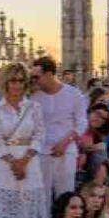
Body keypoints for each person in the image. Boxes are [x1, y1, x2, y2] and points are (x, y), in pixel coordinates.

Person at [0, 63, 50, 218]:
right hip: (5, 165)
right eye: (13, 80)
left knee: (30, 207)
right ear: (6, 82)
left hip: (30, 163)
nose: (17, 85)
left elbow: (40, 134)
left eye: (21, 81)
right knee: (8, 209)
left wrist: (24, 161)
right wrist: (14, 163)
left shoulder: (34, 107)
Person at [30, 56, 86, 203]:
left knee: (65, 194)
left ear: (49, 74)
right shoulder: (34, 97)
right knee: (42, 197)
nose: (34, 80)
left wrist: (66, 142)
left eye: (37, 77)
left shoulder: (74, 94)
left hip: (66, 152)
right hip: (41, 153)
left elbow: (81, 123)